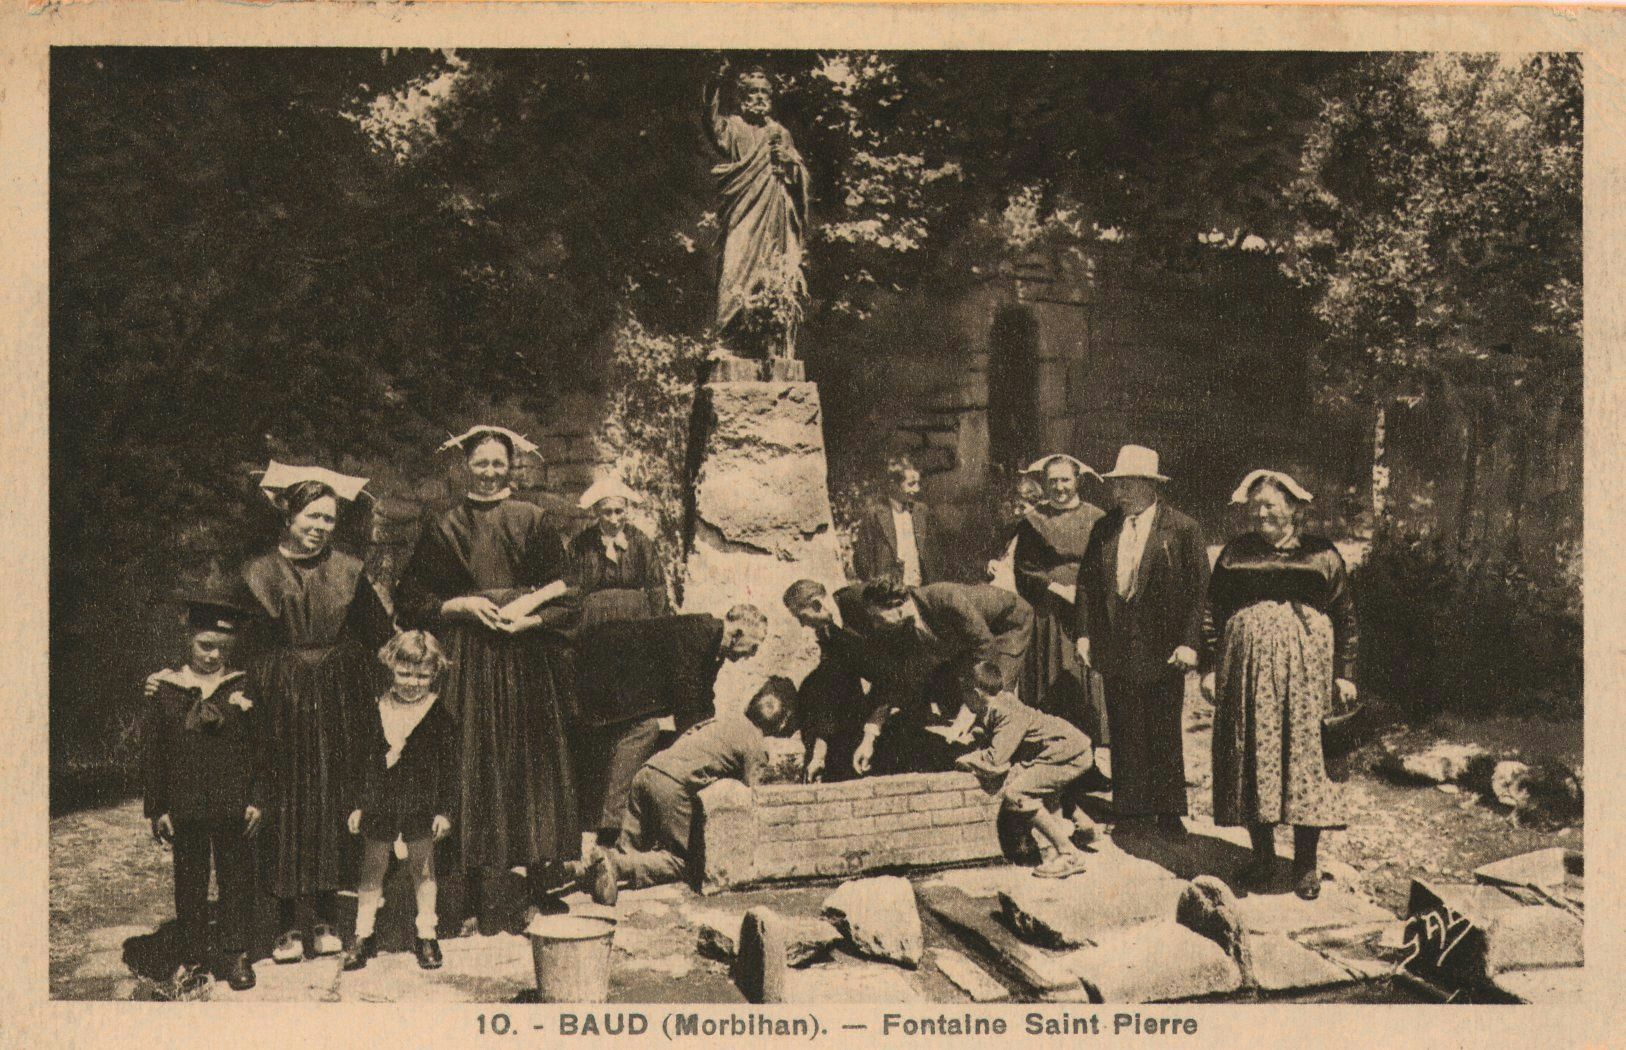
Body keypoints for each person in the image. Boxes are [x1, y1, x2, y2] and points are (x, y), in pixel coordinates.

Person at [393, 426, 581, 929]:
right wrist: (460, 604)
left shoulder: (533, 520)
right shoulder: (444, 525)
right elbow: (410, 597)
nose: (491, 472)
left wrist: (527, 620)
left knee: (529, 767)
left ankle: (537, 888)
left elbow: (568, 595)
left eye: (500, 464)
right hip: (467, 662)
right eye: (482, 464)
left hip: (524, 663)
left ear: (512, 467)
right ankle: (469, 896)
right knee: (468, 763)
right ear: (464, 467)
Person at [239, 463, 392, 962]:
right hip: (278, 698)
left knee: (331, 800)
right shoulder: (257, 571)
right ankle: (285, 923)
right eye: (312, 516)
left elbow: (378, 632)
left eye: (329, 519)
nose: (321, 527)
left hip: (337, 699)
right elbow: (243, 643)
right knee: (284, 802)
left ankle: (326, 915)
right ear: (288, 515)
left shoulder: (348, 569)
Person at [1202, 470, 1359, 901]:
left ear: (1293, 508)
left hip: (1307, 674)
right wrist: (1211, 666)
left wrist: (1345, 673)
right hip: (1246, 672)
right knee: (1254, 754)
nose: (1262, 512)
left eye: (1271, 505)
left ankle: (1306, 864)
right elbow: (1213, 610)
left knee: (1306, 758)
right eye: (1256, 506)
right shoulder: (1235, 553)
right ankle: (1265, 858)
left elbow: (1345, 615)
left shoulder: (1322, 554)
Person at [1074, 445, 1208, 834]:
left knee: (1163, 725)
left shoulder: (1183, 529)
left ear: (1150, 486)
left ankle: (1168, 812)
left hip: (1164, 646)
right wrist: (1084, 633)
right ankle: (1131, 810)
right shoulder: (1104, 528)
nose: (1119, 494)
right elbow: (1086, 585)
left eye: (1128, 486)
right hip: (1116, 643)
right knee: (1124, 724)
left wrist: (1190, 643)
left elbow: (1200, 593)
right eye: (1117, 486)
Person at [141, 595, 265, 991]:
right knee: (190, 880)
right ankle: (193, 956)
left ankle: (235, 952)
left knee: (236, 877)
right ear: (188, 641)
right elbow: (154, 753)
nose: (213, 656)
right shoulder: (167, 690)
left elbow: (263, 749)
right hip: (186, 805)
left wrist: (258, 799)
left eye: (223, 648)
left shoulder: (243, 686)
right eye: (204, 646)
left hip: (234, 803)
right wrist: (157, 807)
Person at [572, 677, 797, 891]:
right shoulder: (754, 744)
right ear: (783, 720)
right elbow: (754, 796)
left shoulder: (724, 720)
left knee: (626, 849)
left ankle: (587, 870)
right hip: (672, 787)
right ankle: (617, 866)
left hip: (647, 772)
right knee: (681, 862)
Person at [571, 605, 769, 847]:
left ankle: (634, 826)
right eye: (755, 645)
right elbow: (686, 698)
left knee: (663, 741)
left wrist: (711, 732)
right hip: (603, 679)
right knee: (644, 733)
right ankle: (609, 831)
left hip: (624, 688)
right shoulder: (698, 635)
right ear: (737, 633)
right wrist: (704, 742)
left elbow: (702, 699)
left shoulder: (712, 642)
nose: (752, 654)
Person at [343, 630, 458, 973]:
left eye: (423, 675)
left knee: (423, 869)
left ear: (434, 674)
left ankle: (426, 933)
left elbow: (452, 767)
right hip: (380, 801)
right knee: (372, 867)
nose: (413, 682)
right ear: (390, 666)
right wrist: (357, 804)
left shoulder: (438, 713)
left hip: (421, 802)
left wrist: (445, 811)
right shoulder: (376, 708)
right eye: (405, 673)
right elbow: (361, 761)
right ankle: (363, 934)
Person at [854, 577, 1034, 776]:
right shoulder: (901, 630)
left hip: (1007, 626)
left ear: (897, 604)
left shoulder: (945, 598)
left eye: (878, 618)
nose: (876, 626)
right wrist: (869, 737)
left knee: (994, 691)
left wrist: (969, 710)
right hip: (973, 641)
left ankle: (1004, 759)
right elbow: (896, 681)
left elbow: (985, 646)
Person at [704, 61, 810, 359]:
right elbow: (711, 124)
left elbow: (799, 178)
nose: (760, 97)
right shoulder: (734, 128)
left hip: (772, 214)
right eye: (753, 92)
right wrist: (714, 85)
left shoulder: (780, 133)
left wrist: (788, 160)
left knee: (769, 273)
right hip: (742, 213)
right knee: (734, 266)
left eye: (765, 92)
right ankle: (727, 340)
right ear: (742, 97)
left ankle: (768, 341)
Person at [953, 661, 1097, 879]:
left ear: (975, 693)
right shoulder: (1001, 704)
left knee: (1017, 793)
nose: (963, 701)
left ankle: (1069, 855)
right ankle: (1083, 826)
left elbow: (994, 761)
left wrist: (966, 759)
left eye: (964, 694)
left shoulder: (1006, 712)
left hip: (1069, 753)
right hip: (1063, 749)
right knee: (1038, 782)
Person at [1012, 454, 1109, 753]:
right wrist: (1055, 587)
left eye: (1065, 480)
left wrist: (1085, 592)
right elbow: (1024, 569)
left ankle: (1093, 752)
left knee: (1089, 680)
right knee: (1053, 673)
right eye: (1052, 481)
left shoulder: (1097, 518)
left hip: (1089, 607)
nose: (1059, 487)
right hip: (1050, 614)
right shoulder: (1033, 521)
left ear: (1077, 480)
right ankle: (1053, 753)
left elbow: (1108, 563)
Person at [782, 579, 875, 783]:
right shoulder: (827, 631)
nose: (802, 624)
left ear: (816, 605)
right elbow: (833, 683)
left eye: (802, 617)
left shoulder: (858, 601)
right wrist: (820, 752)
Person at [567, 478, 671, 630]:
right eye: (607, 512)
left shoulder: (640, 541)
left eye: (619, 511)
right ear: (596, 511)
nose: (614, 520)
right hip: (595, 622)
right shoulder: (581, 544)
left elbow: (657, 587)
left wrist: (657, 627)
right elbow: (571, 588)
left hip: (634, 619)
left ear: (626, 509)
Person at [852, 454, 946, 587]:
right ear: (893, 485)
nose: (917, 489)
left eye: (918, 483)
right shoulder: (874, 514)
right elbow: (862, 559)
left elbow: (935, 552)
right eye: (911, 484)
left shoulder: (922, 511)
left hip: (921, 588)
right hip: (889, 593)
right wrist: (876, 584)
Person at [987, 472, 1045, 593]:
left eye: (1022, 507)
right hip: (1000, 587)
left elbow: (1032, 575)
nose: (1016, 512)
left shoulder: (1040, 534)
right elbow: (1008, 559)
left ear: (1037, 506)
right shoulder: (1018, 529)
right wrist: (996, 564)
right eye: (1015, 506)